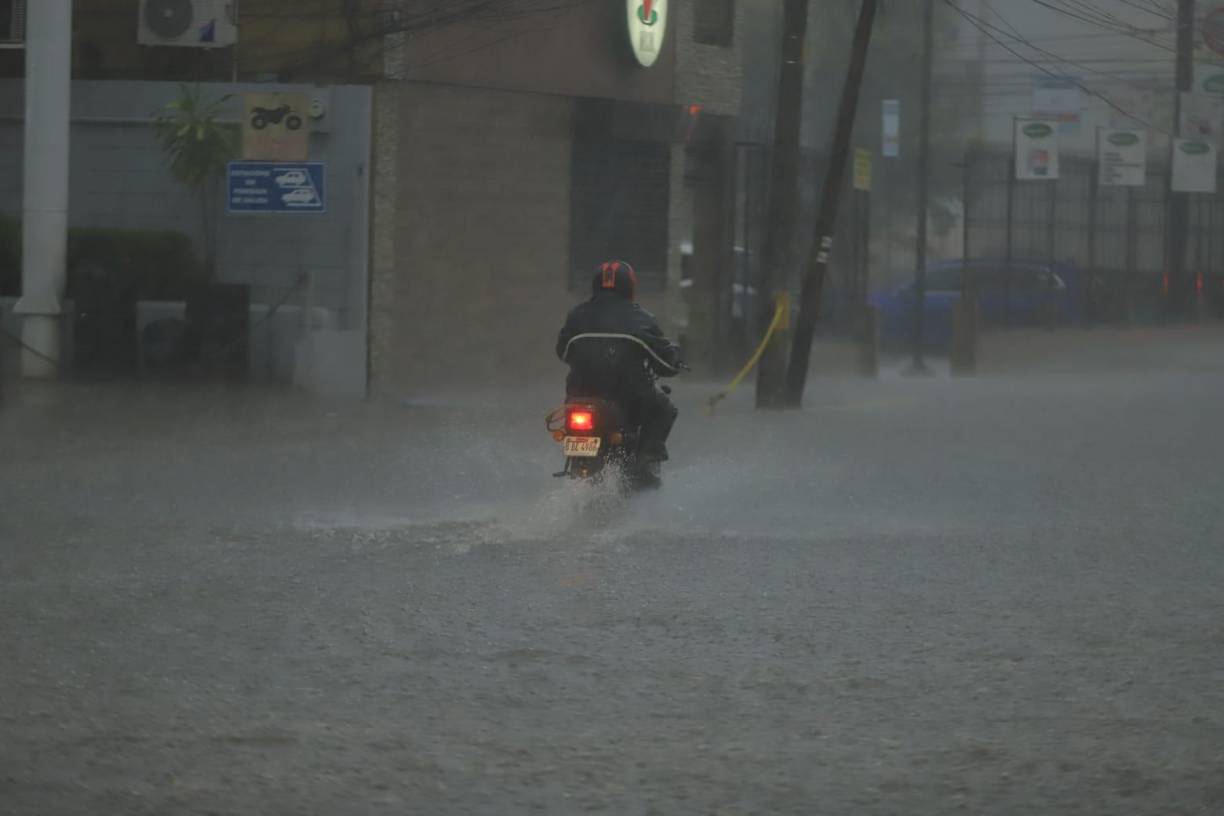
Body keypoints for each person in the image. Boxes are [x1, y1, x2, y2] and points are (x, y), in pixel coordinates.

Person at [556, 260, 682, 467]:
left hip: (579, 393)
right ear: (629, 287)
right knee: (664, 409)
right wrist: (674, 359)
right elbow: (664, 365)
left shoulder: (576, 315)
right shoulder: (642, 319)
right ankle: (646, 460)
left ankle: (579, 467)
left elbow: (563, 352)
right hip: (628, 396)